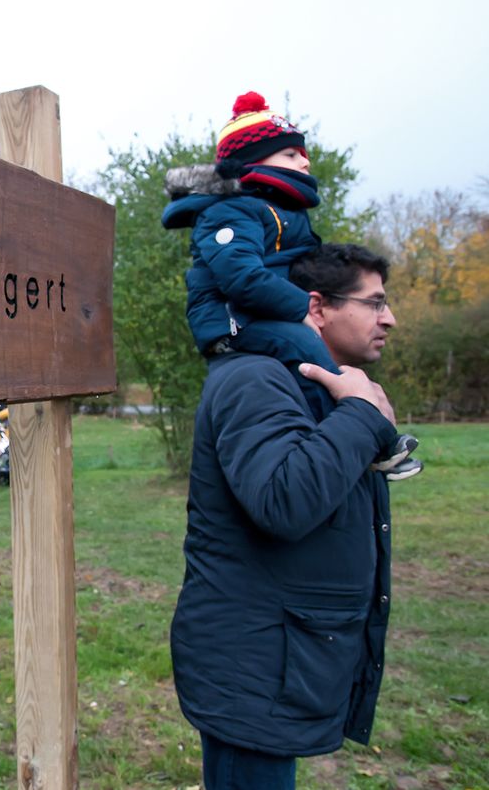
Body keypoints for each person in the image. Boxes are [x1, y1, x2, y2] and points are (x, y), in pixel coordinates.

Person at [171, 244, 400, 789]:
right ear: (316, 307)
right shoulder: (256, 378)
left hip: (279, 663)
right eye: (374, 303)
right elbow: (285, 499)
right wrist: (363, 416)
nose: (390, 317)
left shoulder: (310, 384)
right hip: (254, 673)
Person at [162, 91, 420, 480]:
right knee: (308, 352)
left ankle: (367, 436)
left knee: (328, 357)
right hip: (233, 321)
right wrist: (302, 308)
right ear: (250, 162)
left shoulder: (282, 212)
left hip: (264, 315)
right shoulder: (229, 212)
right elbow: (240, 277)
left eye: (303, 152)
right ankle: (362, 437)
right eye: (290, 154)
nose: (305, 160)